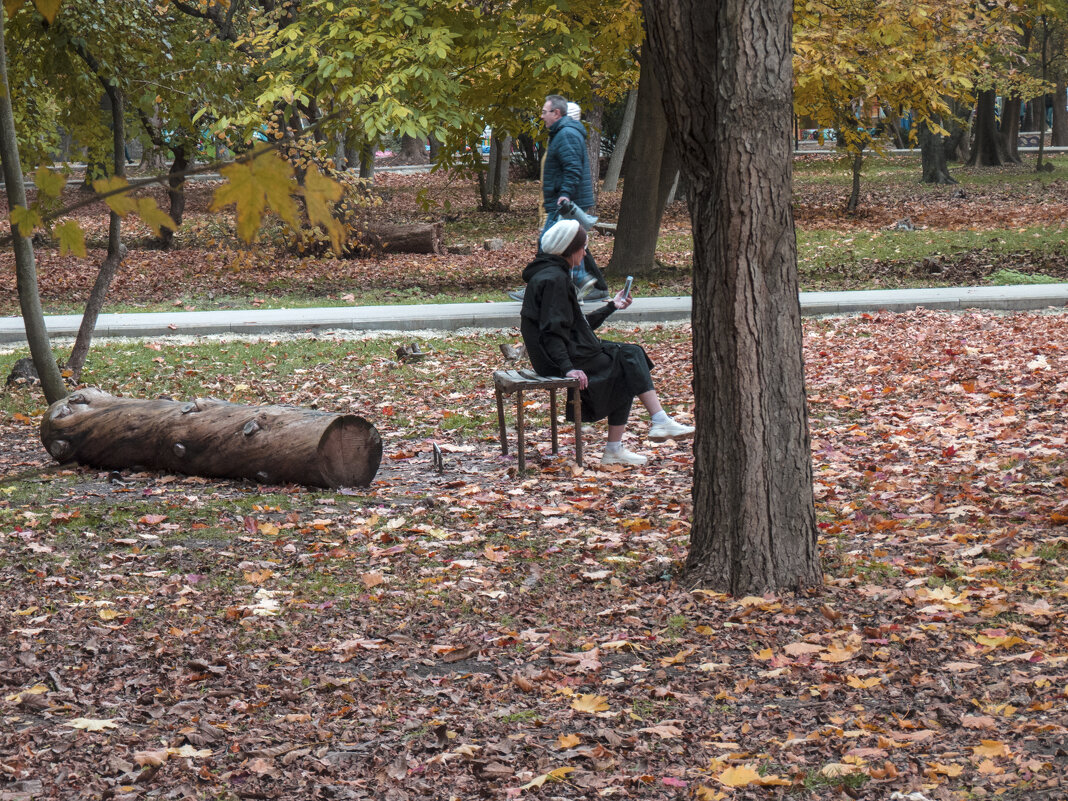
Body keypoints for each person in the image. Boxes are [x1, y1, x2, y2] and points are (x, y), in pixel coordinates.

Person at [520, 219, 694, 466]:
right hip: (555, 358)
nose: (585, 253)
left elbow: (577, 325)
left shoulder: (550, 274)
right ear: (571, 248)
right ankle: (648, 426)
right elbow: (551, 331)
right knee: (628, 359)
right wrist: (567, 367)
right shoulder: (554, 280)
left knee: (629, 357)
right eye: (584, 247)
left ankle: (637, 435)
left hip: (560, 352)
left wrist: (612, 306)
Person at [508, 95, 608, 303]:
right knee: (572, 245)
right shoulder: (562, 133)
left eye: (545, 112)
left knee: (548, 245)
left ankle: (565, 283)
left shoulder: (566, 135)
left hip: (565, 202)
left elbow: (572, 168)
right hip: (565, 200)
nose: (542, 116)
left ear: (557, 113)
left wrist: (564, 194)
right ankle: (588, 284)